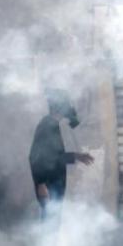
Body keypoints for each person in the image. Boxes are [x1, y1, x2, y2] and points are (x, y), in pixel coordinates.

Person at [29, 89, 94, 221]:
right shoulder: (47, 126)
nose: (69, 107)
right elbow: (35, 156)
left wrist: (76, 156)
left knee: (53, 222)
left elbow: (54, 158)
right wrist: (41, 184)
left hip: (54, 184)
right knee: (50, 223)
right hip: (49, 184)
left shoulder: (52, 125)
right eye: (67, 104)